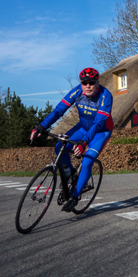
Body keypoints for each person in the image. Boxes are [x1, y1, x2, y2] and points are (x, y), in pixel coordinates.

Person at [31, 68, 113, 212]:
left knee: (87, 160)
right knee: (59, 148)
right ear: (81, 83)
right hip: (82, 127)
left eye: (91, 83)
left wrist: (84, 142)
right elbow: (59, 111)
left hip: (101, 131)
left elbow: (99, 123)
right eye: (84, 82)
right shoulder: (77, 92)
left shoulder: (105, 96)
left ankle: (75, 196)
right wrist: (42, 126)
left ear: (97, 82)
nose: (88, 86)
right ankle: (70, 175)